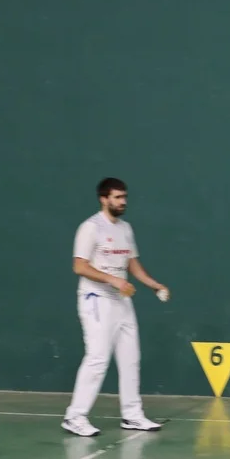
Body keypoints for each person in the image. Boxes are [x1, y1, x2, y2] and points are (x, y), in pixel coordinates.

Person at [62, 177, 169, 437]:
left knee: (131, 358)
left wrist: (154, 285)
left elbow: (133, 265)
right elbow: (79, 266)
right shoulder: (90, 228)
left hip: (122, 300)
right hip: (96, 299)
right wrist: (113, 280)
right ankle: (74, 417)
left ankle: (132, 415)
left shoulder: (125, 229)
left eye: (124, 197)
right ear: (104, 199)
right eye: (118, 197)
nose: (123, 202)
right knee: (98, 358)